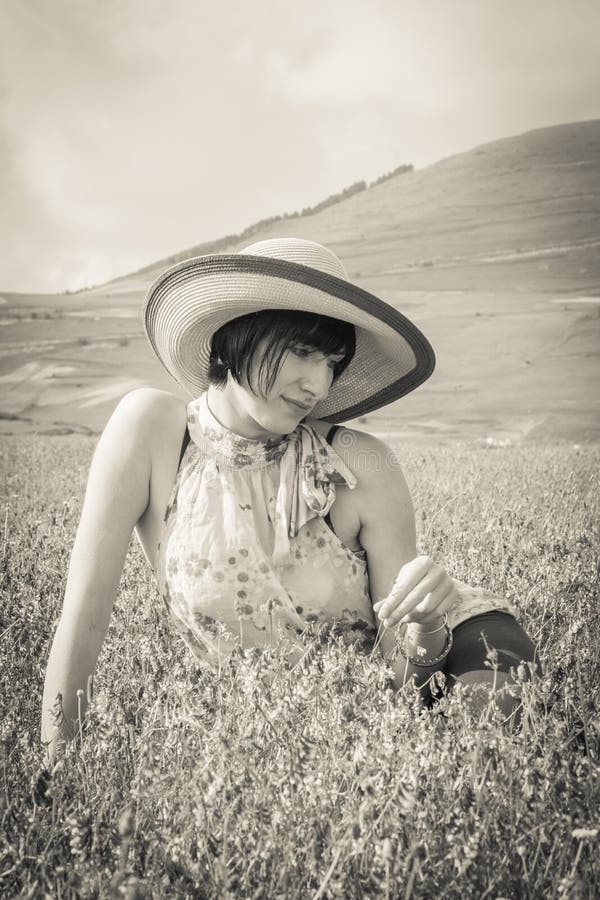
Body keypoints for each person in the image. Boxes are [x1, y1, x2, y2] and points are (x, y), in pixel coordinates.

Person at [41, 237, 540, 762]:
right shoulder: (152, 432)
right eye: (303, 352)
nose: (318, 385)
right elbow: (85, 615)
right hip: (298, 713)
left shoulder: (359, 464)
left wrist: (427, 626)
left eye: (332, 362)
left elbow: (404, 685)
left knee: (479, 760)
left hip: (457, 647)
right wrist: (57, 772)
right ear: (238, 333)